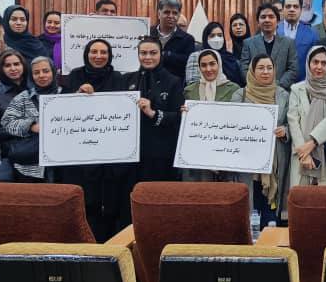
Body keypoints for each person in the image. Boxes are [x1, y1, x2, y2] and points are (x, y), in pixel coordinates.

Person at [64, 39, 128, 239]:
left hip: (110, 151)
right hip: (82, 151)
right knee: (86, 199)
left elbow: (122, 109)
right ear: (86, 54)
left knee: (110, 200)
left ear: (109, 55)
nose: (98, 56)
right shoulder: (75, 76)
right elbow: (63, 109)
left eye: (103, 52)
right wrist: (78, 94)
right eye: (94, 52)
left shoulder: (118, 78)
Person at [234, 55, 291, 225]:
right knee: (250, 207)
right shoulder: (240, 95)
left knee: (270, 213)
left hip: (274, 162)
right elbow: (230, 123)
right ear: (252, 71)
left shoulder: (283, 95)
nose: (265, 72)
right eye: (260, 68)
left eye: (269, 68)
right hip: (247, 164)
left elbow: (292, 122)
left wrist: (285, 131)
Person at [287, 45, 326, 187]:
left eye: (324, 63)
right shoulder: (297, 89)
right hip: (302, 156)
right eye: (315, 62)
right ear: (308, 63)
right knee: (301, 198)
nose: (319, 67)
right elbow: (293, 121)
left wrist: (313, 143)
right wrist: (303, 151)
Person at [124, 37, 183, 184]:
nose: (148, 57)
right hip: (132, 154)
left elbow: (178, 117)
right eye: (143, 53)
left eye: (153, 53)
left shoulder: (173, 81)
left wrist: (153, 113)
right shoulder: (128, 80)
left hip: (161, 154)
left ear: (160, 54)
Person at [180, 49, 242, 183]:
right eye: (203, 65)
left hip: (225, 152)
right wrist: (183, 114)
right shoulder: (190, 91)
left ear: (219, 64)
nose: (208, 69)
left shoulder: (233, 89)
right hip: (198, 153)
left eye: (212, 64)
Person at [0, 56, 62, 183]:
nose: (41, 75)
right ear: (31, 76)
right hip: (30, 168)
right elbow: (6, 122)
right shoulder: (24, 97)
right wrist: (30, 126)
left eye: (46, 71)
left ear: (53, 72)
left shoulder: (65, 94)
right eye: (36, 72)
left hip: (62, 165)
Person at [0, 5, 48, 87]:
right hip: (8, 92)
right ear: (6, 21)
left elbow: (46, 70)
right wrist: (12, 91)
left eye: (22, 20)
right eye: (14, 19)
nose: (18, 23)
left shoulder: (36, 44)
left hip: (36, 91)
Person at [241, 3, 298, 90]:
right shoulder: (248, 43)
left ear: (278, 21)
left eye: (271, 17)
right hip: (255, 91)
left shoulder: (288, 43)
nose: (267, 20)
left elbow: (293, 69)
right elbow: (244, 68)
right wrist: (257, 85)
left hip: (280, 91)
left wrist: (278, 86)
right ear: (258, 22)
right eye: (263, 17)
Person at [185, 22, 244, 86]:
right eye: (212, 36)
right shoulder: (196, 56)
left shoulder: (230, 58)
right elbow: (192, 83)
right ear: (206, 38)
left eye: (220, 35)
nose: (217, 39)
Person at [151, 0, 195, 82]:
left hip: (174, 85)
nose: (171, 16)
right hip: (148, 84)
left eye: (175, 13)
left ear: (178, 15)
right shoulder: (148, 33)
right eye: (166, 12)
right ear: (159, 14)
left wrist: (166, 55)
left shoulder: (187, 39)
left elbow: (188, 63)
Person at [278, 0, 318, 82]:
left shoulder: (312, 33)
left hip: (303, 84)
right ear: (283, 10)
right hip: (277, 83)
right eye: (288, 6)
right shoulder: (274, 31)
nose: (292, 9)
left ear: (301, 10)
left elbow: (315, 61)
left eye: (295, 7)